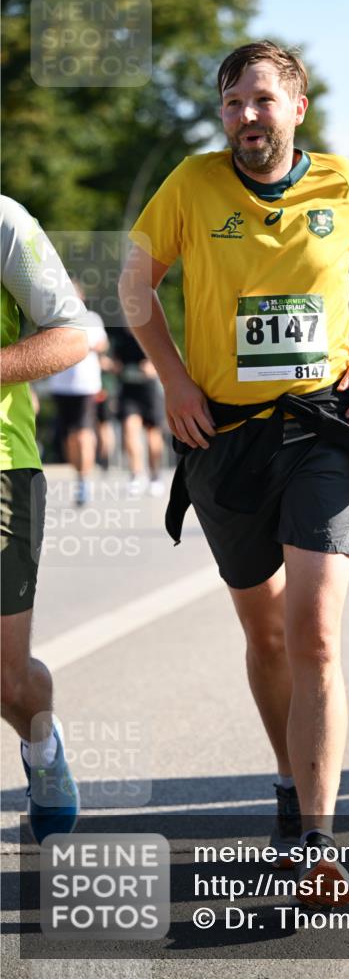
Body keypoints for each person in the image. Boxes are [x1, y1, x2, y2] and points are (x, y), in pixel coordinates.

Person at [118, 42, 349, 904]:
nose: (246, 116)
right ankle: (289, 787)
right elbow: (136, 284)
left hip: (324, 425)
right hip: (223, 437)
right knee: (268, 635)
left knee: (314, 627)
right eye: (233, 103)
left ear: (296, 107)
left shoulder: (343, 184)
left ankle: (319, 842)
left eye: (261, 100)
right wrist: (172, 380)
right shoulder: (192, 185)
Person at [1, 195, 87, 843]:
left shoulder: (4, 222)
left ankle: (43, 749)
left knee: (6, 675)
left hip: (3, 467)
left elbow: (74, 333)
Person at [49, 285, 109, 506]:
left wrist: (82, 346)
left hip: (86, 387)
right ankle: (79, 474)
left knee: (83, 434)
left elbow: (103, 343)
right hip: (61, 387)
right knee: (69, 438)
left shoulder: (91, 319)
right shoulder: (53, 319)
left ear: (81, 297)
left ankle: (84, 481)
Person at [113, 326, 166, 496]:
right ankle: (136, 475)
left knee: (152, 435)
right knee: (130, 430)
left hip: (149, 390)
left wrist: (154, 366)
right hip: (128, 390)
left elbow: (172, 354)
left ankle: (155, 476)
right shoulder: (120, 334)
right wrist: (114, 366)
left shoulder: (153, 329)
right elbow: (115, 360)